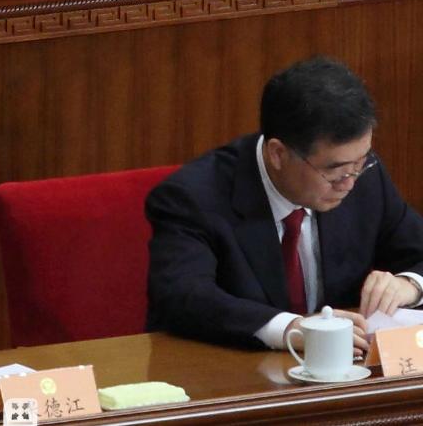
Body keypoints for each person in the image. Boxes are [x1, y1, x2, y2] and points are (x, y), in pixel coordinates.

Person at [146, 56, 423, 354]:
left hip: (344, 367)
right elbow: (183, 296)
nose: (349, 183)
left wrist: (410, 284)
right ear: (277, 154)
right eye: (335, 171)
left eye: (360, 162)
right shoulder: (192, 197)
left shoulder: (363, 175)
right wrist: (289, 328)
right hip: (232, 368)